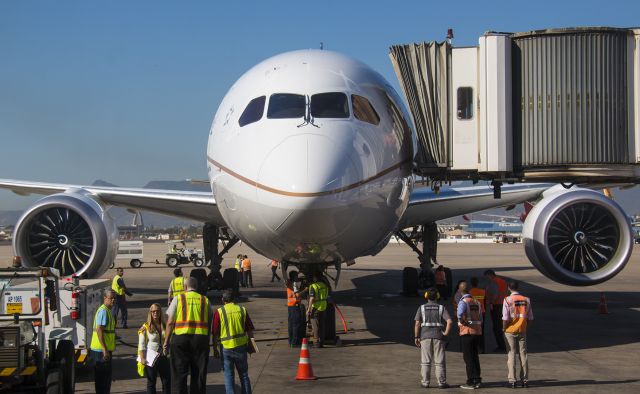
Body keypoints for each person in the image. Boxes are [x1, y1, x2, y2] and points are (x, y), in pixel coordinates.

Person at [163, 277, 213, 394]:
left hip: (181, 339)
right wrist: (207, 340)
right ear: (197, 288)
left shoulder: (178, 298)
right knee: (199, 374)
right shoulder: (205, 300)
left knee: (179, 374)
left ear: (185, 287)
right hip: (200, 340)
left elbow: (170, 322)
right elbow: (209, 320)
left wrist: (166, 341)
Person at [213, 290, 255, 394]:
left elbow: (214, 333)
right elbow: (249, 330)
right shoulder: (242, 310)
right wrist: (252, 345)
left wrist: (215, 349)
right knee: (244, 375)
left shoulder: (219, 312)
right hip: (241, 347)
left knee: (228, 375)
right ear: (234, 299)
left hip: (226, 348)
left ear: (223, 300)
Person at [414, 288, 452, 389]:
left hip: (425, 337)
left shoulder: (421, 308)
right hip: (438, 337)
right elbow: (449, 321)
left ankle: (425, 382)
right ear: (438, 296)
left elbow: (417, 324)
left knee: (426, 361)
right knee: (439, 361)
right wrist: (445, 333)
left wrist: (416, 337)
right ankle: (441, 383)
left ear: (426, 296)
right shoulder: (441, 308)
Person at [502, 280, 533, 388]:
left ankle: (512, 381)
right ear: (518, 287)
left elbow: (505, 318)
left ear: (508, 288)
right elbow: (530, 318)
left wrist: (503, 329)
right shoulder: (526, 300)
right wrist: (525, 328)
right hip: (522, 330)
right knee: (523, 355)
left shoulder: (507, 300)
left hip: (510, 330)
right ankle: (525, 380)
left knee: (511, 355)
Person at [138, 303, 171, 394]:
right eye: (153, 311)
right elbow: (141, 344)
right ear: (150, 313)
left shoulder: (164, 325)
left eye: (157, 311)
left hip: (163, 356)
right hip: (151, 358)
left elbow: (169, 339)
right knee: (151, 382)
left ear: (160, 312)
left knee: (167, 381)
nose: (155, 313)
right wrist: (143, 358)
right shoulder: (145, 327)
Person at [90, 290, 117, 394]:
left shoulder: (108, 310)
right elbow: (99, 329)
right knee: (102, 380)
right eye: (111, 298)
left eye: (114, 298)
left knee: (105, 379)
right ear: (105, 298)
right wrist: (104, 349)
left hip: (104, 349)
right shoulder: (103, 311)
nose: (113, 300)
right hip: (101, 350)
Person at [457, 285, 483, 390]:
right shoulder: (477, 302)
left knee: (468, 357)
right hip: (476, 332)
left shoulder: (463, 302)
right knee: (475, 356)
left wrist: (462, 321)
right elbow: (481, 317)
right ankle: (477, 378)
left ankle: (471, 380)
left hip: (467, 331)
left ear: (460, 291)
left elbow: (459, 314)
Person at [484, 269, 508, 352]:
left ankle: (501, 346)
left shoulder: (493, 282)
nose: (487, 278)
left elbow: (494, 294)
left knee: (497, 327)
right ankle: (505, 344)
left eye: (487, 276)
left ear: (490, 275)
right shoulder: (502, 281)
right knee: (502, 325)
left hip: (496, 306)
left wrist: (490, 302)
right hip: (503, 305)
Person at [306, 273, 329, 348]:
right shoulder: (325, 285)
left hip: (316, 308)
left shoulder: (313, 286)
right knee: (322, 324)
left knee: (315, 325)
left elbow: (312, 299)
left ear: (316, 278)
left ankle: (316, 342)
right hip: (324, 307)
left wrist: (309, 309)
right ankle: (322, 341)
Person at [469, 276, 486, 353]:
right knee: (481, 330)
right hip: (482, 312)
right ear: (477, 283)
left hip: (472, 312)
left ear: (471, 284)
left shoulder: (469, 292)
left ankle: (474, 347)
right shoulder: (483, 291)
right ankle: (482, 348)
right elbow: (485, 302)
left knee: (472, 330)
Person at [286, 271, 302, 347]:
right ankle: (295, 342)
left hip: (290, 306)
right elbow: (298, 295)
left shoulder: (289, 282)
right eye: (296, 276)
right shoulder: (294, 284)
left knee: (291, 325)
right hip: (295, 306)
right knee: (296, 324)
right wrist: (305, 290)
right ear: (294, 277)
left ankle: (291, 341)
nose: (297, 277)